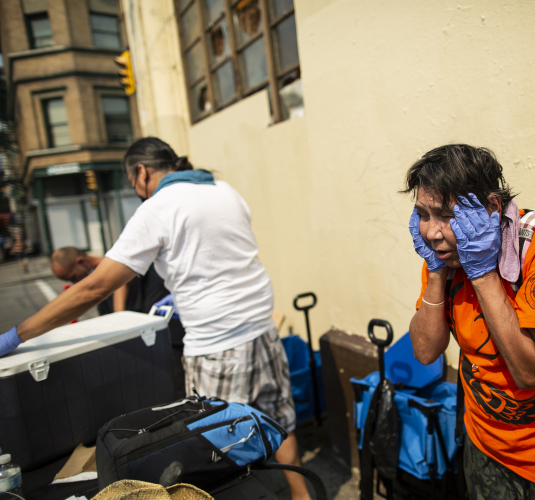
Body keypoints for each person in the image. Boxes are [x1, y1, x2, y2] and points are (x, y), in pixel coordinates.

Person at [0, 137, 310, 500]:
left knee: (216, 451)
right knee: (279, 423)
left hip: (218, 346)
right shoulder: (224, 190)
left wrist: (16, 336)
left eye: (133, 184)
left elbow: (93, 287)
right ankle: (302, 495)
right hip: (262, 332)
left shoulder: (158, 208)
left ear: (142, 172)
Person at [404, 144, 535, 499]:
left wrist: (483, 273)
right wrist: (436, 273)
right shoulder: (444, 256)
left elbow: (530, 371)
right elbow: (426, 351)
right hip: (484, 445)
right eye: (423, 215)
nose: (431, 231)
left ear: (490, 207)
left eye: (444, 215)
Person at [50, 246, 186, 399]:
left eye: (73, 277)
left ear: (81, 262)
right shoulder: (98, 276)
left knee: (175, 389)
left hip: (167, 336)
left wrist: (119, 320)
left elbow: (121, 281)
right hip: (147, 341)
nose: (75, 283)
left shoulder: (115, 264)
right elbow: (108, 314)